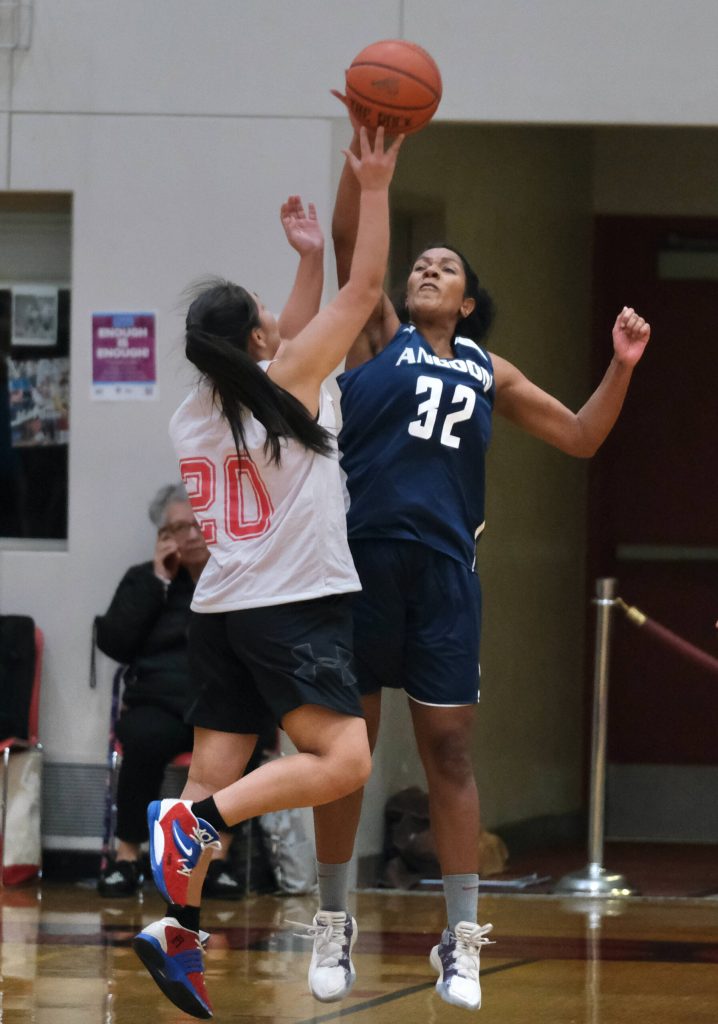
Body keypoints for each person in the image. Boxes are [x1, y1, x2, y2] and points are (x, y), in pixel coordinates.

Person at [315, 115, 652, 1012]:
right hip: (359, 565)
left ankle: (460, 940)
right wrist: (367, 169)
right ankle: (335, 919)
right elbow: (355, 244)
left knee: (451, 752)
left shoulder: (485, 368)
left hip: (443, 577)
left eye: (447, 268)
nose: (428, 267)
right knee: (347, 755)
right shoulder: (375, 335)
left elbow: (581, 436)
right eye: (423, 261)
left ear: (466, 303)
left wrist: (620, 367)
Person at [131, 126, 403, 1020]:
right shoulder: (287, 381)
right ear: (255, 336)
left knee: (215, 769)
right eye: (267, 314)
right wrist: (372, 184)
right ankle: (194, 827)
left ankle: (176, 926)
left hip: (221, 610)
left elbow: (291, 335)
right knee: (346, 757)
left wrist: (304, 257)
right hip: (290, 608)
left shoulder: (193, 409)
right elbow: (363, 297)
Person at [95, 483, 247, 899]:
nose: (192, 535)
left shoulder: (236, 577)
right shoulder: (144, 580)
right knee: (142, 737)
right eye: (179, 528)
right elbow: (115, 641)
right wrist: (159, 581)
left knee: (246, 736)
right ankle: (127, 857)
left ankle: (218, 859)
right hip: (159, 701)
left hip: (218, 701)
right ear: (163, 537)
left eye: (199, 525)